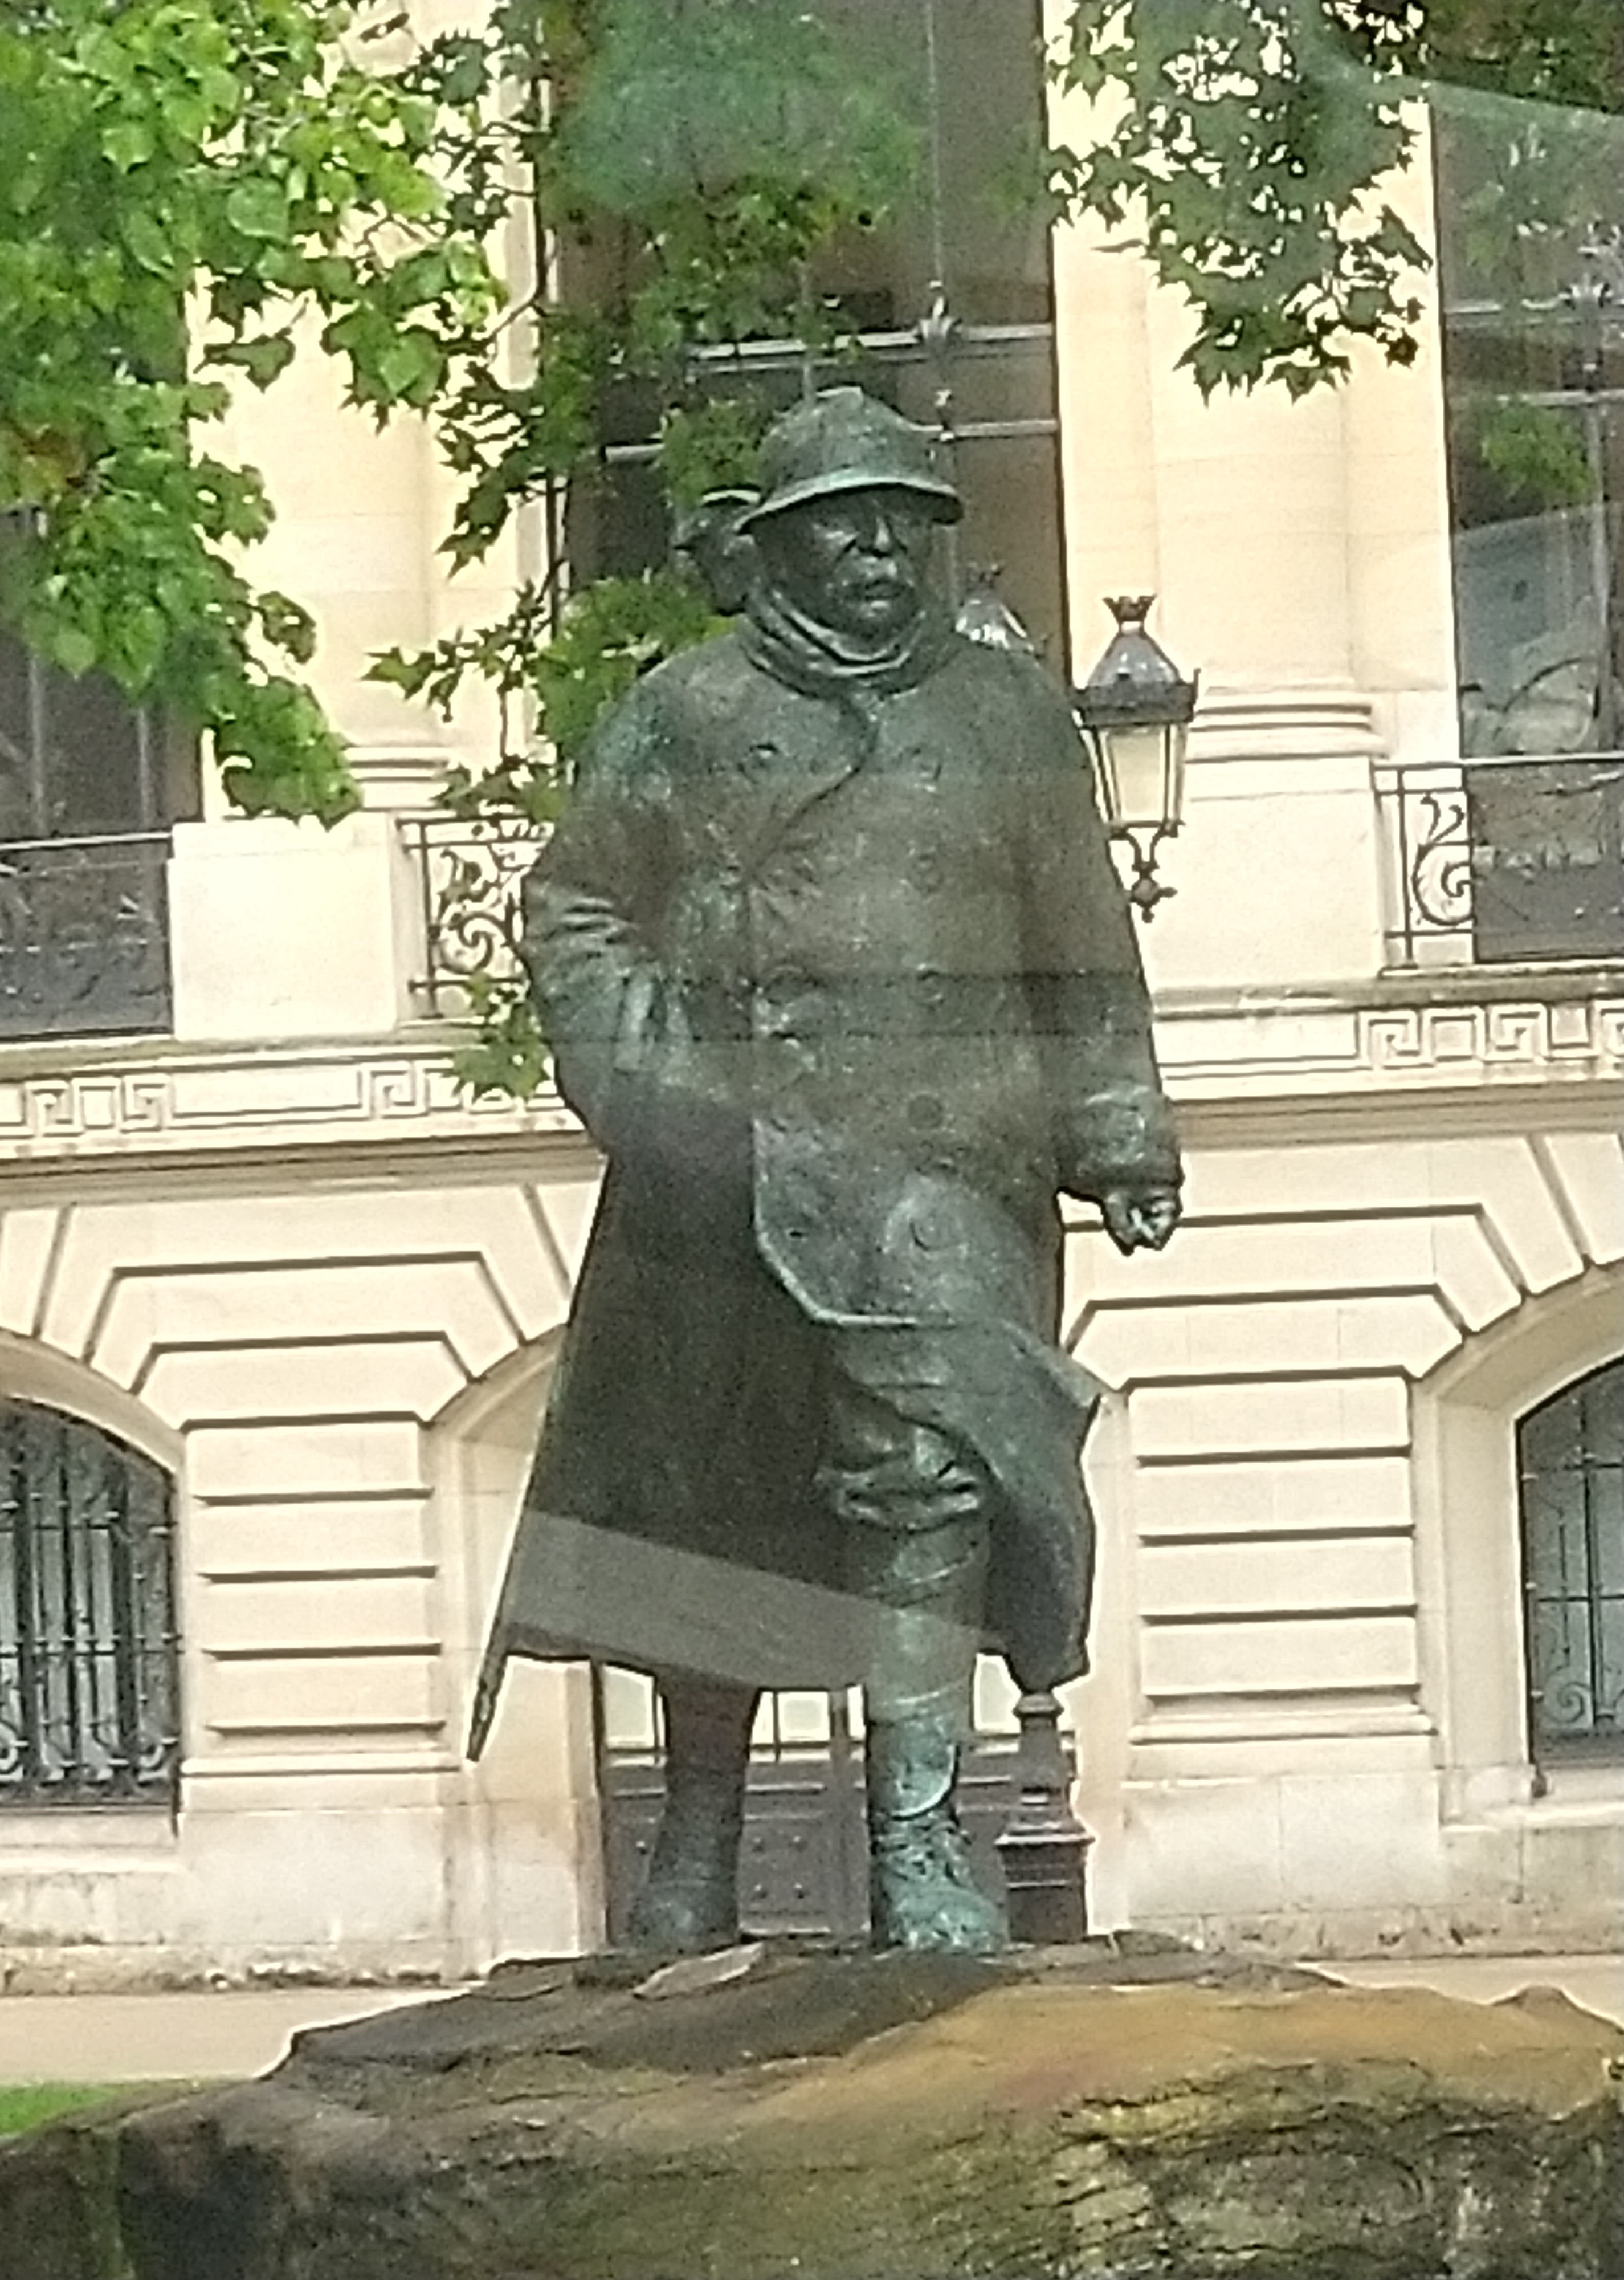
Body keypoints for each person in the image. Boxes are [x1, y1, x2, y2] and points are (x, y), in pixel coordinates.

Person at [469, 386, 1181, 1953]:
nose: (878, 551)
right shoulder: (685, 711)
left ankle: (922, 1840)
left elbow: (1083, 939)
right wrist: (652, 1080)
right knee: (706, 1500)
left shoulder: (1008, 715)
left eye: (904, 524)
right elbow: (576, 903)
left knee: (929, 1473)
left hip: (947, 1167)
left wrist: (1121, 1128)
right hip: (725, 1167)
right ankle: (699, 1843)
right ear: (775, 547)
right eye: (842, 525)